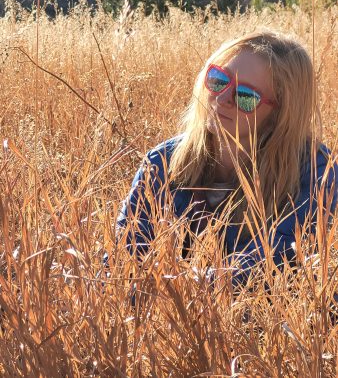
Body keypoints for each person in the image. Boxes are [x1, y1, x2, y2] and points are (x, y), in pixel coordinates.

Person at [116, 31, 338, 284]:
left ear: (281, 114)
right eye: (219, 80)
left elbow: (269, 265)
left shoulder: (315, 173)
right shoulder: (162, 161)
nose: (221, 99)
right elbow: (126, 256)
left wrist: (175, 286)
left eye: (245, 96)